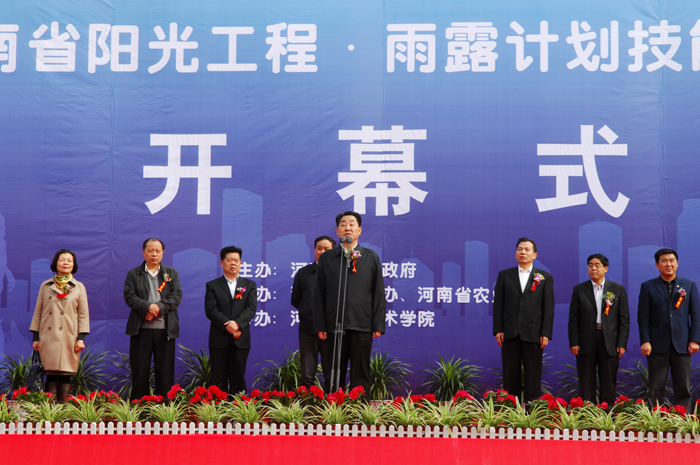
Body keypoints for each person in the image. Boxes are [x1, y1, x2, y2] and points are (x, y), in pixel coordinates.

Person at [313, 211, 386, 396]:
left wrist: (377, 324)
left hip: (362, 324)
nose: (348, 227)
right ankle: (333, 409)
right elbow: (319, 294)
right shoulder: (327, 258)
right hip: (333, 325)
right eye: (343, 224)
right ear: (337, 230)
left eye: (352, 224)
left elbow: (378, 293)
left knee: (360, 374)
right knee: (333, 373)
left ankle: (360, 409)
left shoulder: (370, 257)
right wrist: (320, 325)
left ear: (359, 230)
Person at [493, 237, 554, 403]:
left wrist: (545, 333)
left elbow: (548, 308)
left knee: (533, 375)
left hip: (534, 332)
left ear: (535, 255)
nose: (523, 252)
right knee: (510, 374)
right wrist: (498, 329)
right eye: (520, 249)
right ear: (515, 253)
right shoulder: (505, 275)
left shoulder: (545, 277)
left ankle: (532, 412)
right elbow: (498, 304)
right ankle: (510, 410)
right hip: (510, 331)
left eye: (527, 249)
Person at [638, 248, 700, 410]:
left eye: (672, 260)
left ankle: (682, 418)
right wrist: (645, 341)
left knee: (683, 387)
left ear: (677, 263)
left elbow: (696, 315)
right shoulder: (648, 287)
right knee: (655, 387)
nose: (668, 264)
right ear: (657, 265)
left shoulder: (689, 285)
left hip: (682, 344)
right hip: (657, 345)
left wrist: (694, 340)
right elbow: (643, 317)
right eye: (664, 261)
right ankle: (655, 419)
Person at [124, 238, 182, 400]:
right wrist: (147, 307)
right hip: (140, 330)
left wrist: (157, 308)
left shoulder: (171, 273)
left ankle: (163, 409)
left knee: (165, 373)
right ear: (143, 252)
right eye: (150, 250)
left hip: (165, 331)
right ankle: (139, 408)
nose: (154, 254)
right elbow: (129, 296)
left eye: (158, 251)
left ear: (163, 253)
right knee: (140, 371)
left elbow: (176, 296)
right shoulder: (134, 274)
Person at [568, 254, 629, 406]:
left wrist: (621, 343)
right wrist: (574, 342)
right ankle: (587, 414)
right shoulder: (579, 290)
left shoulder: (617, 289)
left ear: (605, 268)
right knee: (586, 380)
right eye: (590, 265)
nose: (593, 268)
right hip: (586, 340)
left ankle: (607, 414)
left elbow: (624, 319)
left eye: (597, 265)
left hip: (609, 340)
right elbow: (573, 319)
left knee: (608, 380)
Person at [29, 249, 89, 403]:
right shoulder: (46, 286)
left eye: (69, 260)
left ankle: (63, 409)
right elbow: (38, 312)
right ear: (56, 263)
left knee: (66, 374)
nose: (65, 263)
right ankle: (49, 411)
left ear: (73, 265)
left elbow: (83, 315)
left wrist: (81, 338)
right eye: (62, 260)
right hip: (48, 337)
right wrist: (36, 337)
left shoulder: (78, 287)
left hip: (69, 337)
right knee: (50, 374)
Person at [205, 246, 257, 394]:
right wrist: (229, 326)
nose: (233, 263)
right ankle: (217, 409)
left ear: (241, 263)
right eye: (229, 260)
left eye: (236, 260)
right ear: (222, 263)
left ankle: (237, 408)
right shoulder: (212, 285)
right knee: (217, 379)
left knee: (238, 379)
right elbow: (211, 310)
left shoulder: (249, 285)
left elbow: (251, 308)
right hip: (219, 338)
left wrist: (237, 324)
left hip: (240, 338)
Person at [291, 235, 336, 390]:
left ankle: (332, 403)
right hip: (308, 329)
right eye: (319, 248)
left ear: (333, 251)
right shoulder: (304, 273)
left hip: (331, 329)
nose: (322, 252)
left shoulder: (339, 274)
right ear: (314, 250)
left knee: (330, 372)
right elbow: (295, 299)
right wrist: (309, 312)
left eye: (326, 249)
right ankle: (307, 402)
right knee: (307, 373)